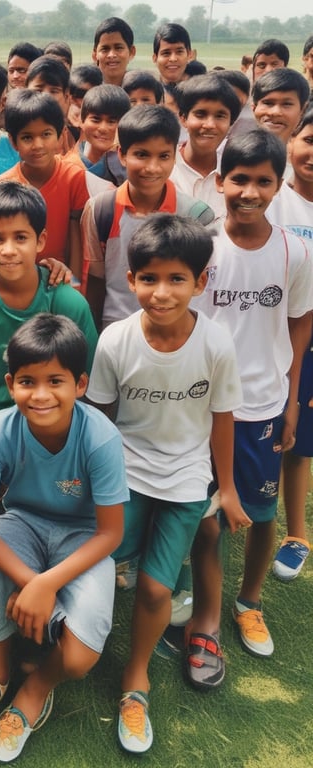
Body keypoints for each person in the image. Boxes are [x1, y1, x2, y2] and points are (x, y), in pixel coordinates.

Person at [86, 213, 244, 752]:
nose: (162, 291)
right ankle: (72, 641)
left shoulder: (217, 344)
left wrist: (226, 488)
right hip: (125, 470)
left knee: (155, 586)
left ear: (201, 282)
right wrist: (93, 481)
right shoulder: (114, 340)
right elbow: (101, 416)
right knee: (102, 563)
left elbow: (222, 417)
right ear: (130, 280)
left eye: (178, 279)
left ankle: (136, 677)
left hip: (185, 477)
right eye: (149, 278)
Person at [0, 313, 127, 762]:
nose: (40, 395)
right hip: (21, 524)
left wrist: (45, 583)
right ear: (10, 382)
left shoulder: (100, 438)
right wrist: (30, 580)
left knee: (77, 659)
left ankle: (37, 684)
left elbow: (112, 532)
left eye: (56, 381)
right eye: (27, 381)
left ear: (80, 383)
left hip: (84, 537)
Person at [188, 129, 313, 682]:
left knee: (262, 514)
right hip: (200, 407)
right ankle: (207, 618)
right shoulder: (202, 247)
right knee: (207, 518)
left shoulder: (296, 250)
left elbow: (299, 323)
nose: (249, 190)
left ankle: (250, 601)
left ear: (277, 184)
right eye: (238, 179)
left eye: (263, 180)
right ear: (220, 183)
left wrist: (290, 401)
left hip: (262, 408)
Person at [0, 182, 97, 430]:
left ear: (40, 241)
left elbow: (88, 370)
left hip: (55, 419)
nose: (8, 250)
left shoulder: (67, 302)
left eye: (20, 238)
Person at [82, 104, 214, 331]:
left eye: (163, 156)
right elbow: (96, 284)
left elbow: (200, 287)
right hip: (116, 332)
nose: (152, 168)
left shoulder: (196, 215)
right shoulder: (100, 210)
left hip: (176, 335)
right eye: (141, 155)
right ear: (122, 155)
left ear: (174, 157)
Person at [266, 106, 313, 581]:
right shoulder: (274, 196)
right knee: (265, 424)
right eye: (310, 140)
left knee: (299, 439)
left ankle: (296, 531)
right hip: (269, 325)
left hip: (308, 335)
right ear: (292, 142)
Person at [0, 88, 89, 277]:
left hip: (61, 281)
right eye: (27, 137)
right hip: (18, 278)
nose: (38, 145)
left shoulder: (74, 177)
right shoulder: (4, 185)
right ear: (13, 142)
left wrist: (74, 285)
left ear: (61, 135)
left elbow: (77, 239)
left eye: (46, 134)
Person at [170, 74, 242, 224]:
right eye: (200, 114)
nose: (209, 124)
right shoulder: (164, 168)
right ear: (183, 118)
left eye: (220, 116)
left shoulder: (238, 173)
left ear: (231, 124)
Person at [71, 83, 130, 187]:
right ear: (81, 121)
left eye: (112, 121)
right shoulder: (68, 166)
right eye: (96, 120)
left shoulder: (131, 168)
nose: (103, 128)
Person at [252, 67, 309, 146]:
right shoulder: (236, 154)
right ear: (254, 107)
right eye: (268, 103)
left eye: (287, 104)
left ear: (303, 110)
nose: (275, 112)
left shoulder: (306, 156)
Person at [92, 17, 136, 87]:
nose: (111, 55)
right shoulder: (85, 90)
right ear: (95, 54)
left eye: (118, 48)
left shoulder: (140, 93)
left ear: (131, 52)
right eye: (105, 49)